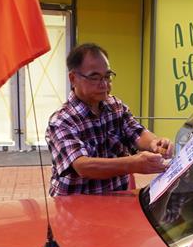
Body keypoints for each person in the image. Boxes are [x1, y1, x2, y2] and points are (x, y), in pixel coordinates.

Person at [45, 42, 173, 195]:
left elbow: (136, 132)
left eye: (107, 76)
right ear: (73, 78)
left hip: (115, 200)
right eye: (95, 77)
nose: (104, 84)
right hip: (74, 205)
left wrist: (155, 143)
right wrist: (134, 164)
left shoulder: (115, 106)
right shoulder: (61, 121)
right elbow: (83, 166)